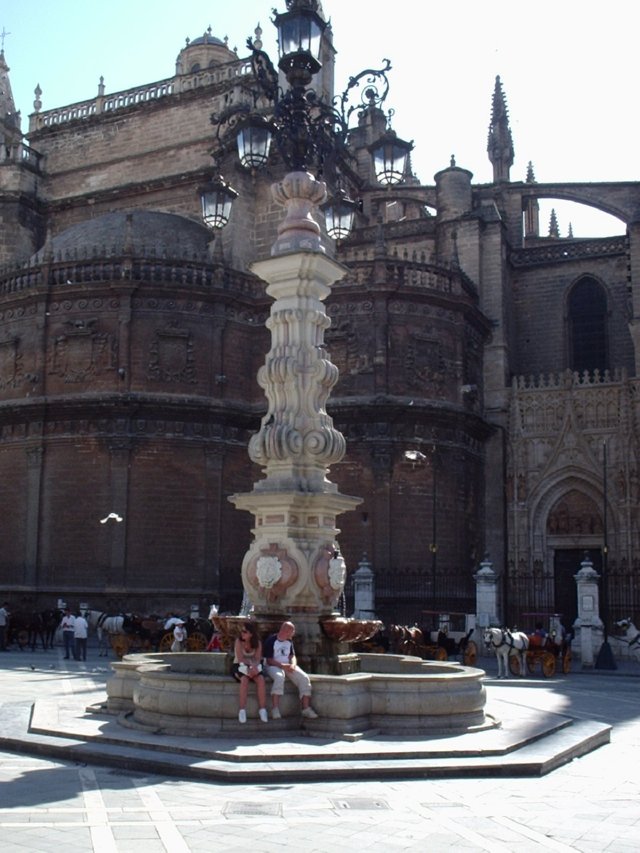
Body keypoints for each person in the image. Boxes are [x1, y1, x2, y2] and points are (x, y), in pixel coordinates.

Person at [263, 621, 318, 720]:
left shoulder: (289, 641)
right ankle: (275, 709)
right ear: (286, 631)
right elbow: (269, 660)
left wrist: (293, 664)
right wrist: (282, 665)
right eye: (292, 631)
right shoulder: (271, 641)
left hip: (288, 665)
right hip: (273, 666)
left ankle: (306, 709)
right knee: (279, 677)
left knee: (304, 678)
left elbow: (292, 656)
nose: (293, 633)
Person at [232, 621, 268, 724]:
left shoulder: (258, 643)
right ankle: (242, 710)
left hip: (254, 666)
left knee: (260, 680)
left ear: (251, 634)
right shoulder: (238, 642)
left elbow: (257, 658)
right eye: (241, 631)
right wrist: (250, 666)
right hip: (240, 665)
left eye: (245, 632)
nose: (242, 634)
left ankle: (262, 709)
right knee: (244, 679)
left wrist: (253, 667)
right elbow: (240, 658)